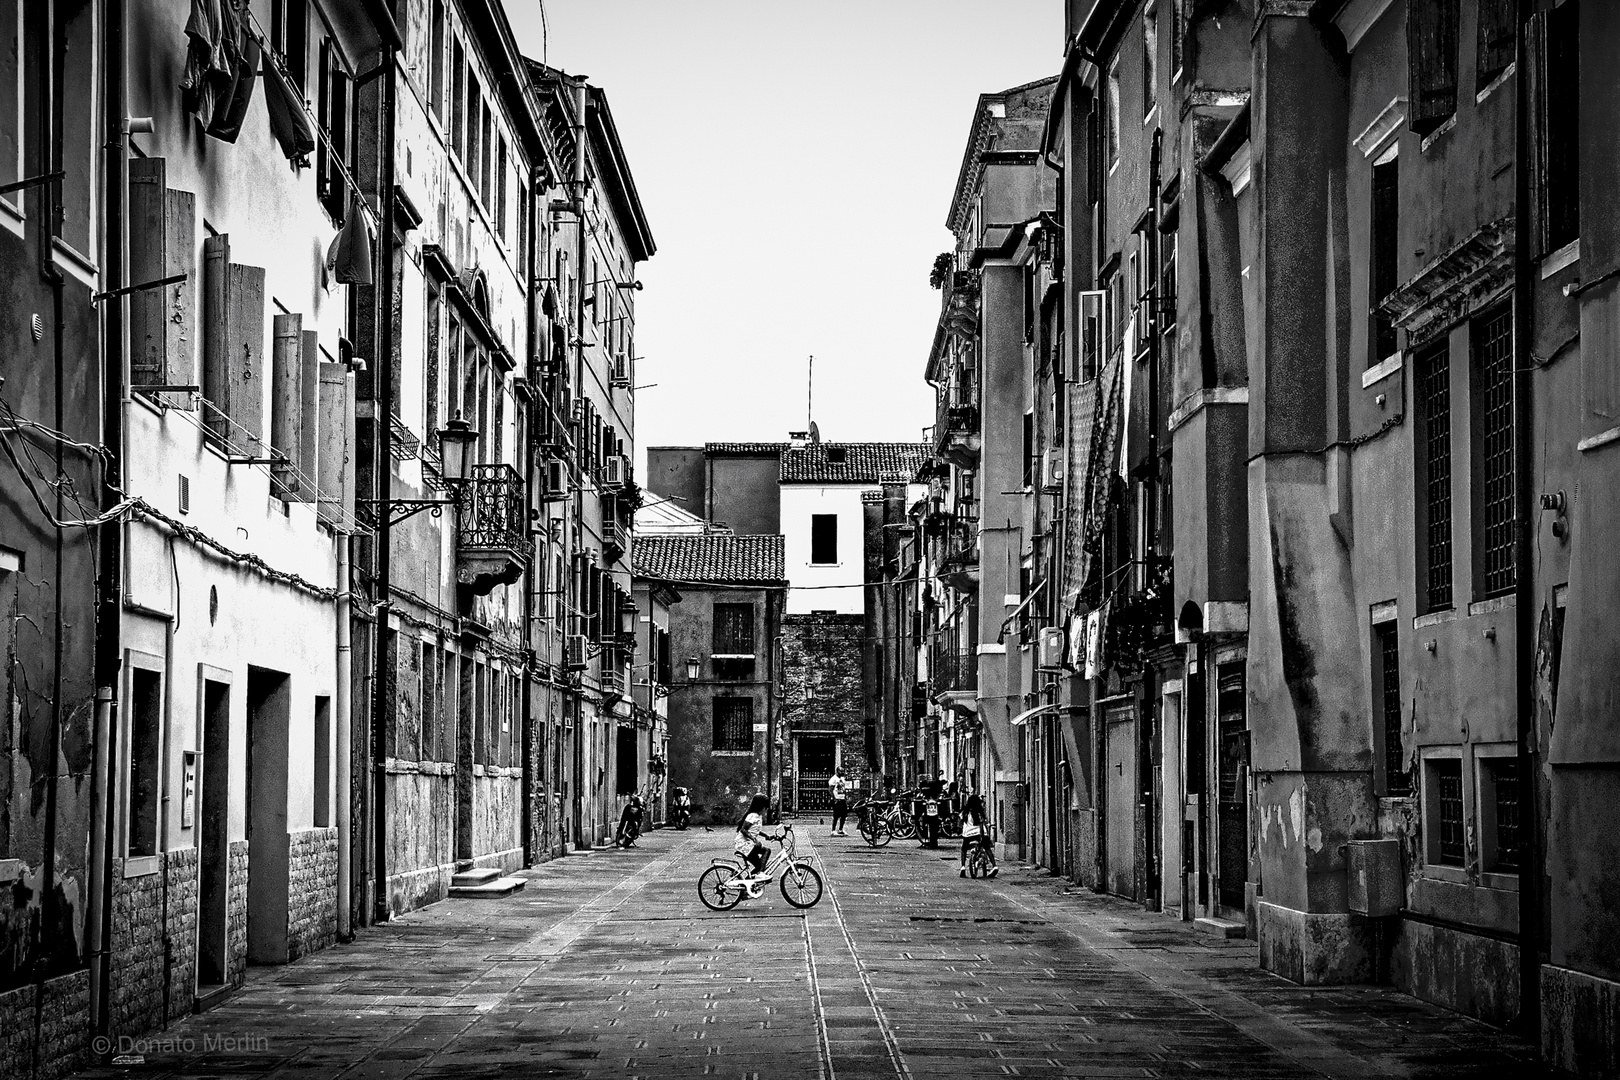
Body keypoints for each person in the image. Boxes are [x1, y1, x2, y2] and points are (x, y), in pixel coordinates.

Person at [734, 793, 784, 892]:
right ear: (760, 806)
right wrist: (754, 839)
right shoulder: (753, 816)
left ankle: (745, 886)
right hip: (744, 844)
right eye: (765, 807)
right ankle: (760, 874)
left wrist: (766, 836)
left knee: (759, 865)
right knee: (766, 851)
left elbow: (754, 829)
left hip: (748, 843)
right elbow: (743, 830)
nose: (766, 809)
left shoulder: (757, 816)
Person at [959, 792, 998, 877]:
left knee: (964, 849)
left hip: (968, 835)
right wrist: (982, 835)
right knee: (987, 848)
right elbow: (981, 823)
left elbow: (960, 820)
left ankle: (962, 867)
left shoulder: (965, 812)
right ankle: (994, 865)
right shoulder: (979, 812)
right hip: (980, 834)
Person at [828, 767, 849, 836]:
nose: (842, 773)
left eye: (843, 771)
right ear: (837, 771)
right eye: (841, 771)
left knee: (844, 815)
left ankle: (841, 829)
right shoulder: (833, 779)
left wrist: (845, 797)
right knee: (836, 815)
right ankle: (833, 830)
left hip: (842, 798)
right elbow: (830, 790)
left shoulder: (842, 779)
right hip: (837, 799)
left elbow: (844, 788)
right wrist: (834, 798)